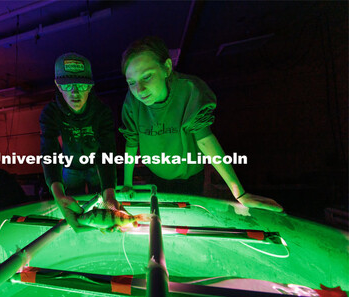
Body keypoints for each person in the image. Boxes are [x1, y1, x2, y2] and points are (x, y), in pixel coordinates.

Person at [119, 36, 283, 212]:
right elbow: (131, 142)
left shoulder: (189, 90)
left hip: (190, 177)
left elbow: (205, 139)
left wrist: (239, 193)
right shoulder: (132, 102)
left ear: (166, 68)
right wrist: (128, 184)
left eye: (147, 76)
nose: (139, 89)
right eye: (131, 82)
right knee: (163, 216)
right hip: (156, 175)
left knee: (188, 215)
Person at [39, 52, 121, 230]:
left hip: (95, 167)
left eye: (82, 85)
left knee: (101, 200)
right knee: (73, 204)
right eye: (67, 86)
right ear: (57, 86)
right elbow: (49, 151)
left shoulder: (102, 112)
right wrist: (58, 195)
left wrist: (109, 192)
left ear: (91, 87)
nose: (75, 93)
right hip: (69, 168)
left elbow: (107, 151)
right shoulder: (50, 113)